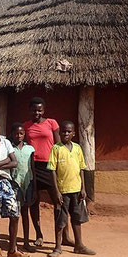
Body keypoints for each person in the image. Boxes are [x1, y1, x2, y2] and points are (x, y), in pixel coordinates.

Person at [23, 96, 74, 246]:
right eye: (34, 110)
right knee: (34, 201)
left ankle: (64, 235)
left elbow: (59, 145)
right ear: (30, 111)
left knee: (59, 202)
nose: (37, 113)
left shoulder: (51, 123)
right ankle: (39, 234)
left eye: (39, 110)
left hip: (50, 167)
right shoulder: (26, 126)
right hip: (32, 167)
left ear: (44, 110)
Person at [0, 115, 30, 257]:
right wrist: (5, 162)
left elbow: (14, 163)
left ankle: (12, 249)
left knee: (15, 214)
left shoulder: (6, 142)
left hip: (6, 182)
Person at [47, 120, 96, 257]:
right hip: (63, 190)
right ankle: (57, 247)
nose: (66, 134)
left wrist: (83, 188)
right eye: (63, 131)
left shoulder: (77, 148)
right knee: (60, 219)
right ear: (59, 133)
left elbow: (81, 168)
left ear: (74, 133)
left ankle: (79, 245)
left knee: (77, 218)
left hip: (76, 190)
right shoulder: (56, 149)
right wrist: (56, 191)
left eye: (69, 132)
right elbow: (52, 171)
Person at [9, 123, 39, 253]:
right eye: (16, 133)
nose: (19, 136)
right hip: (14, 184)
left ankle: (26, 241)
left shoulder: (30, 149)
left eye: (21, 133)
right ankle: (13, 243)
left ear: (24, 134)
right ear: (12, 134)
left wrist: (35, 188)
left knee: (25, 213)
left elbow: (32, 167)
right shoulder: (9, 148)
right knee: (14, 215)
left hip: (28, 183)